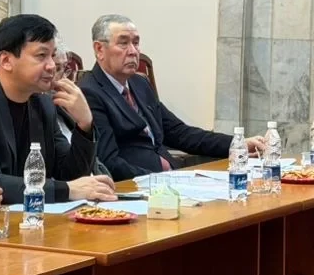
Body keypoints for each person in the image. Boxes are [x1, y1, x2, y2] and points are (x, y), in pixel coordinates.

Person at [0, 14, 117, 206]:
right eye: (41, 56)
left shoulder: (42, 104)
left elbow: (69, 174)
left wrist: (85, 125)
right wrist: (68, 190)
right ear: (6, 60)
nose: (52, 65)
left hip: (31, 216)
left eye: (52, 55)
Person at [79, 14, 266, 181]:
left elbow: (179, 133)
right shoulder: (89, 92)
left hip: (171, 180)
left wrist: (237, 144)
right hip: (136, 188)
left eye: (136, 43)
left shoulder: (139, 83)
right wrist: (161, 180)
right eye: (123, 43)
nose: (133, 51)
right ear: (99, 49)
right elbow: (109, 163)